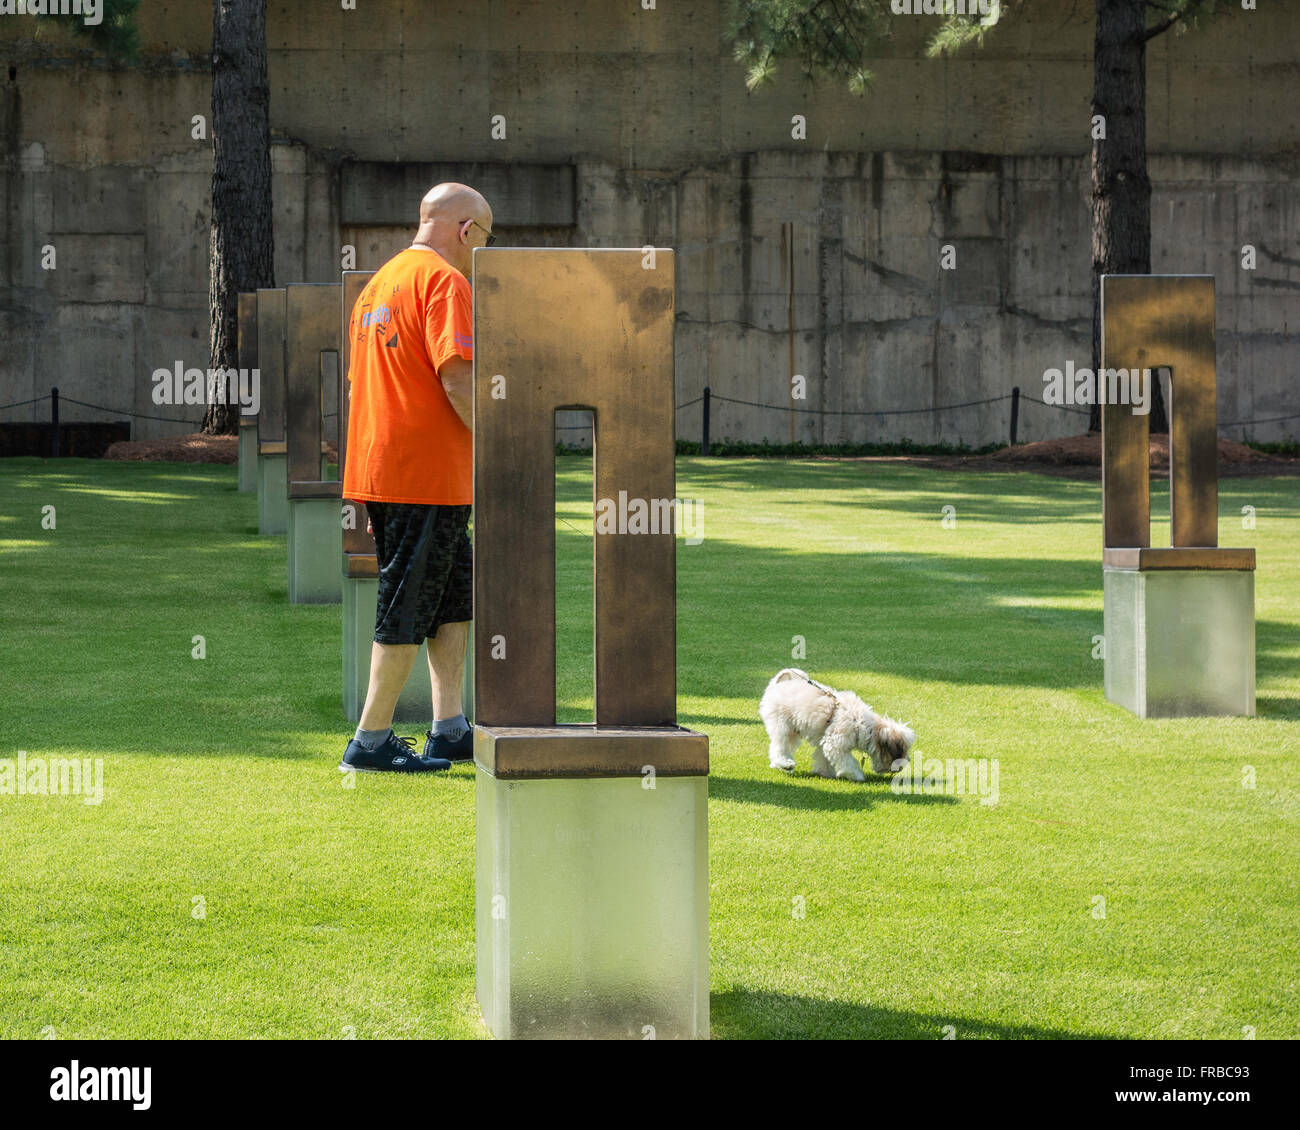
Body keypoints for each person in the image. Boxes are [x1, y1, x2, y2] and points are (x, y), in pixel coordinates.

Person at [338, 182, 494, 773]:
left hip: (392, 469)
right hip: (424, 476)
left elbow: (363, 383)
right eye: (484, 237)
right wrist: (500, 445)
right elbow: (457, 378)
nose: (481, 250)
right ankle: (370, 739)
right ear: (464, 230)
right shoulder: (446, 282)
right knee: (407, 600)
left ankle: (448, 725)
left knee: (450, 597)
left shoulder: (378, 284)